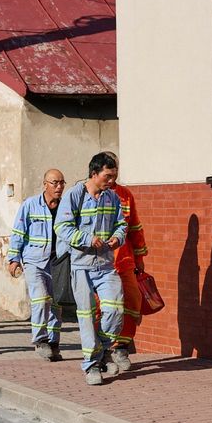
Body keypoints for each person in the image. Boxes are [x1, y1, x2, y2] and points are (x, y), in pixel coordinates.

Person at [55, 152, 128, 386]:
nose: (111, 181)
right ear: (94, 173)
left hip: (105, 265)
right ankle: (92, 365)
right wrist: (87, 238)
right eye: (108, 176)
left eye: (114, 176)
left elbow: (121, 224)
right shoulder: (74, 196)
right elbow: (62, 227)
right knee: (86, 316)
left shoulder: (112, 198)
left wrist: (118, 237)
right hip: (81, 266)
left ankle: (103, 348)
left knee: (115, 308)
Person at [7, 168, 66, 361]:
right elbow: (19, 232)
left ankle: (53, 342)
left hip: (58, 263)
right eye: (54, 183)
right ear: (45, 184)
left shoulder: (66, 207)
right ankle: (40, 340)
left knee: (56, 304)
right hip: (35, 261)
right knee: (41, 300)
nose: (58, 187)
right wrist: (14, 258)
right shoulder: (31, 205)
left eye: (61, 183)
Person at [101, 152, 148, 351]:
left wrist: (140, 257)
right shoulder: (89, 194)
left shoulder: (126, 194)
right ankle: (103, 345)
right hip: (100, 263)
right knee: (103, 307)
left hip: (125, 260)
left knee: (133, 301)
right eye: (109, 172)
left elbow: (135, 227)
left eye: (116, 171)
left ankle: (122, 344)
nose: (114, 177)